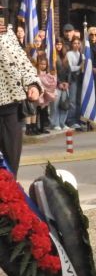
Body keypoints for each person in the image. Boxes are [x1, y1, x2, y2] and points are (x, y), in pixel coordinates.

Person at [0, 25, 42, 175]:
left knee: (10, 167)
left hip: (11, 108)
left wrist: (33, 84)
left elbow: (23, 62)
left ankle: (9, 196)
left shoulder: (7, 33)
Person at [64, 37, 85, 129]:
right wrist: (80, 67)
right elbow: (70, 68)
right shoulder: (69, 54)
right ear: (71, 44)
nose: (76, 45)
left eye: (78, 43)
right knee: (72, 101)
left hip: (80, 79)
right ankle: (71, 120)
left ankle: (78, 119)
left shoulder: (82, 55)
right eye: (74, 43)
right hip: (73, 79)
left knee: (79, 101)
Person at [34, 53, 55, 134]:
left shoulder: (47, 74)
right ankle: (35, 127)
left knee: (44, 112)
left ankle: (43, 127)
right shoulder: (36, 73)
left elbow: (50, 83)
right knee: (37, 112)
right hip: (39, 95)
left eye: (44, 64)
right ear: (38, 64)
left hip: (45, 96)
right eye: (41, 64)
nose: (43, 66)